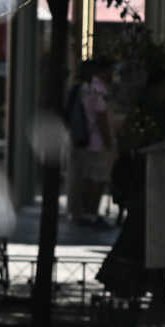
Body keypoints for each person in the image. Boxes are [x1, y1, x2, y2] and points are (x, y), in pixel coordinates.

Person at [63, 55, 115, 223]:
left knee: (84, 177)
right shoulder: (97, 90)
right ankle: (90, 212)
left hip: (80, 139)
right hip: (95, 142)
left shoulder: (81, 88)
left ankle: (83, 211)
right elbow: (101, 118)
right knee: (97, 178)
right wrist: (109, 142)